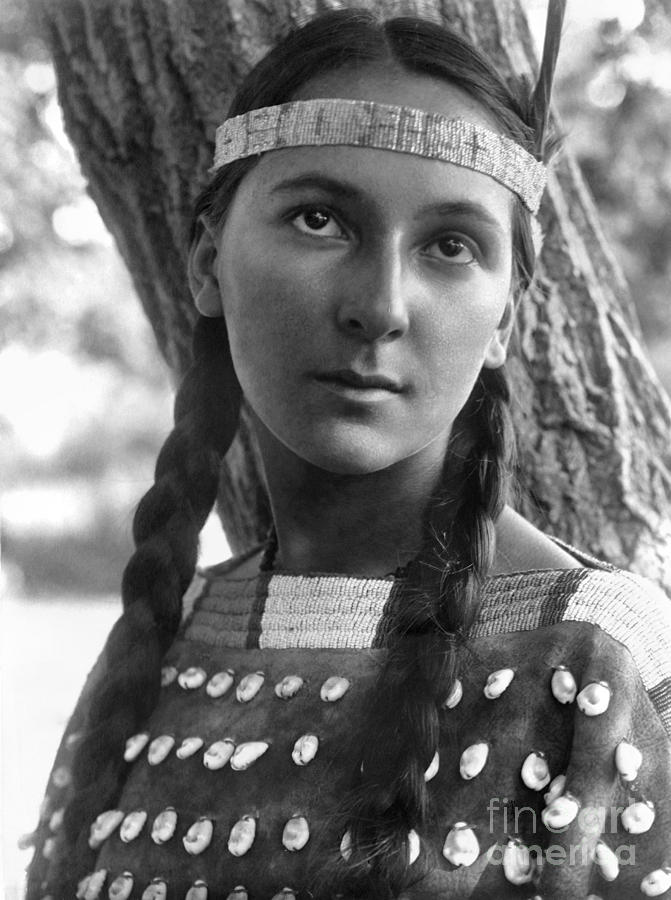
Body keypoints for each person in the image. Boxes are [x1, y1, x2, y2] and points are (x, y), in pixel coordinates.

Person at [25, 6, 671, 900]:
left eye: (450, 246)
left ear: (504, 322)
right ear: (208, 262)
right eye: (321, 219)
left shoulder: (594, 662)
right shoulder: (162, 638)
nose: (380, 304)